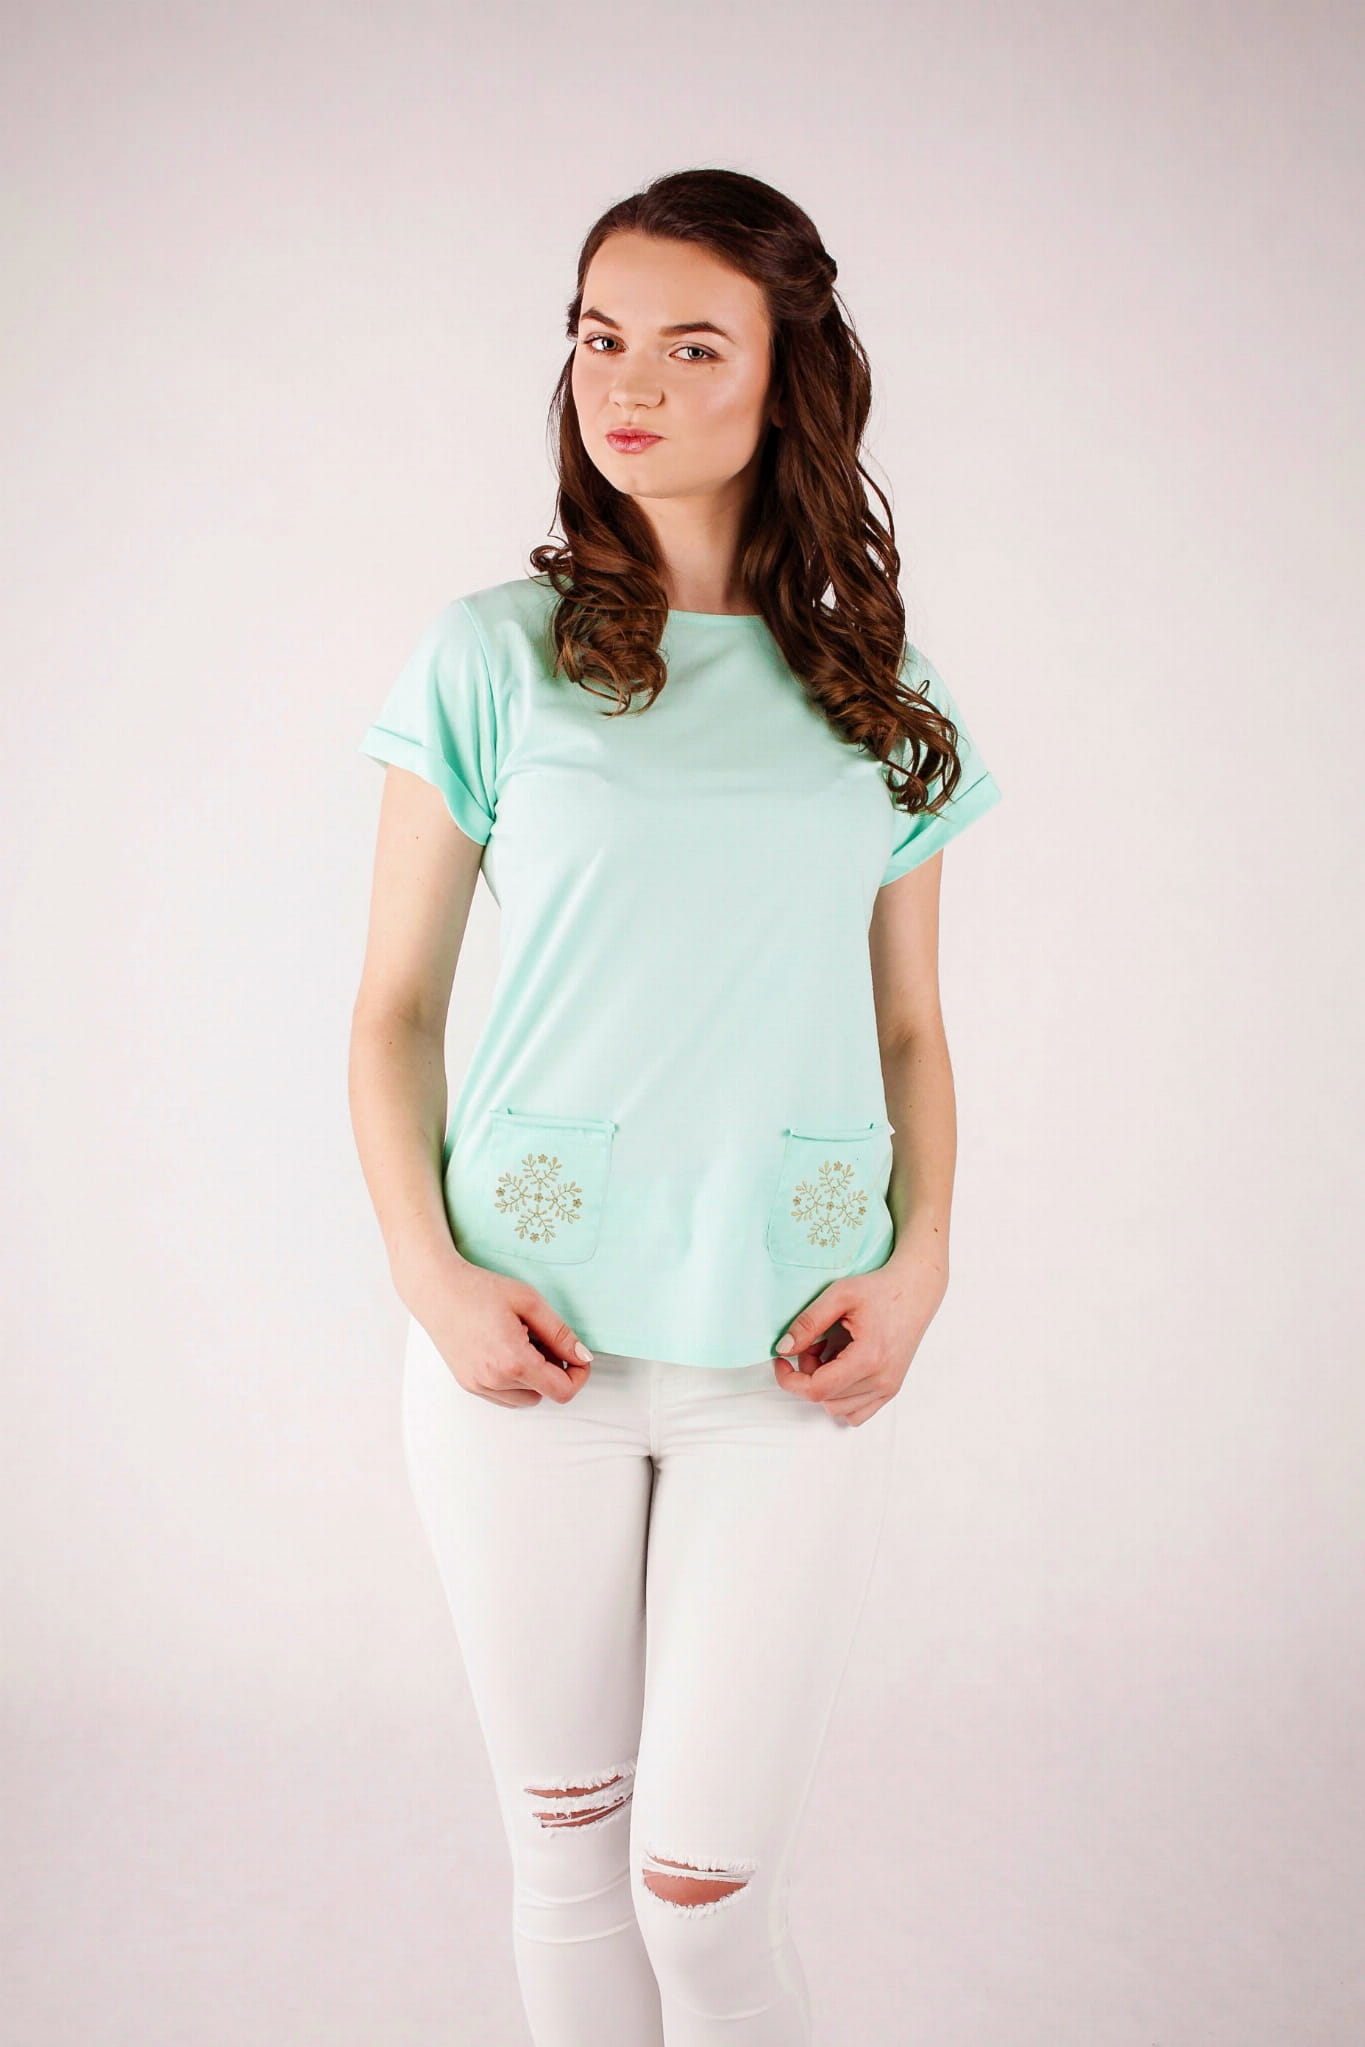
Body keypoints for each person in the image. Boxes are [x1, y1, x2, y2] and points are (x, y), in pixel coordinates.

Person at [349, 167, 1003, 2047]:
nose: (625, 384)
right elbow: (394, 1010)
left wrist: (923, 1261)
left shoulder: (876, 693)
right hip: (519, 1348)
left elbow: (909, 1031)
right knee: (565, 1875)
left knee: (701, 1905)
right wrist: (432, 1279)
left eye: (690, 346)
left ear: (788, 376)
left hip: (788, 1356)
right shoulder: (493, 654)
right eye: (598, 337)